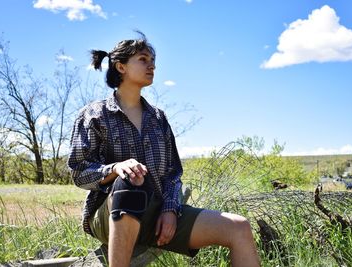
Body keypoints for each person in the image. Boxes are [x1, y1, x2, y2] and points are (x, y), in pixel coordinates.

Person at [68, 32, 260, 267]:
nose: (152, 66)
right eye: (143, 59)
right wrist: (116, 168)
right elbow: (79, 171)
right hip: (109, 216)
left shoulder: (158, 118)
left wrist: (169, 210)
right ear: (121, 66)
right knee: (129, 182)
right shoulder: (94, 115)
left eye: (153, 61)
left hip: (157, 216)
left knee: (238, 227)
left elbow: (172, 174)